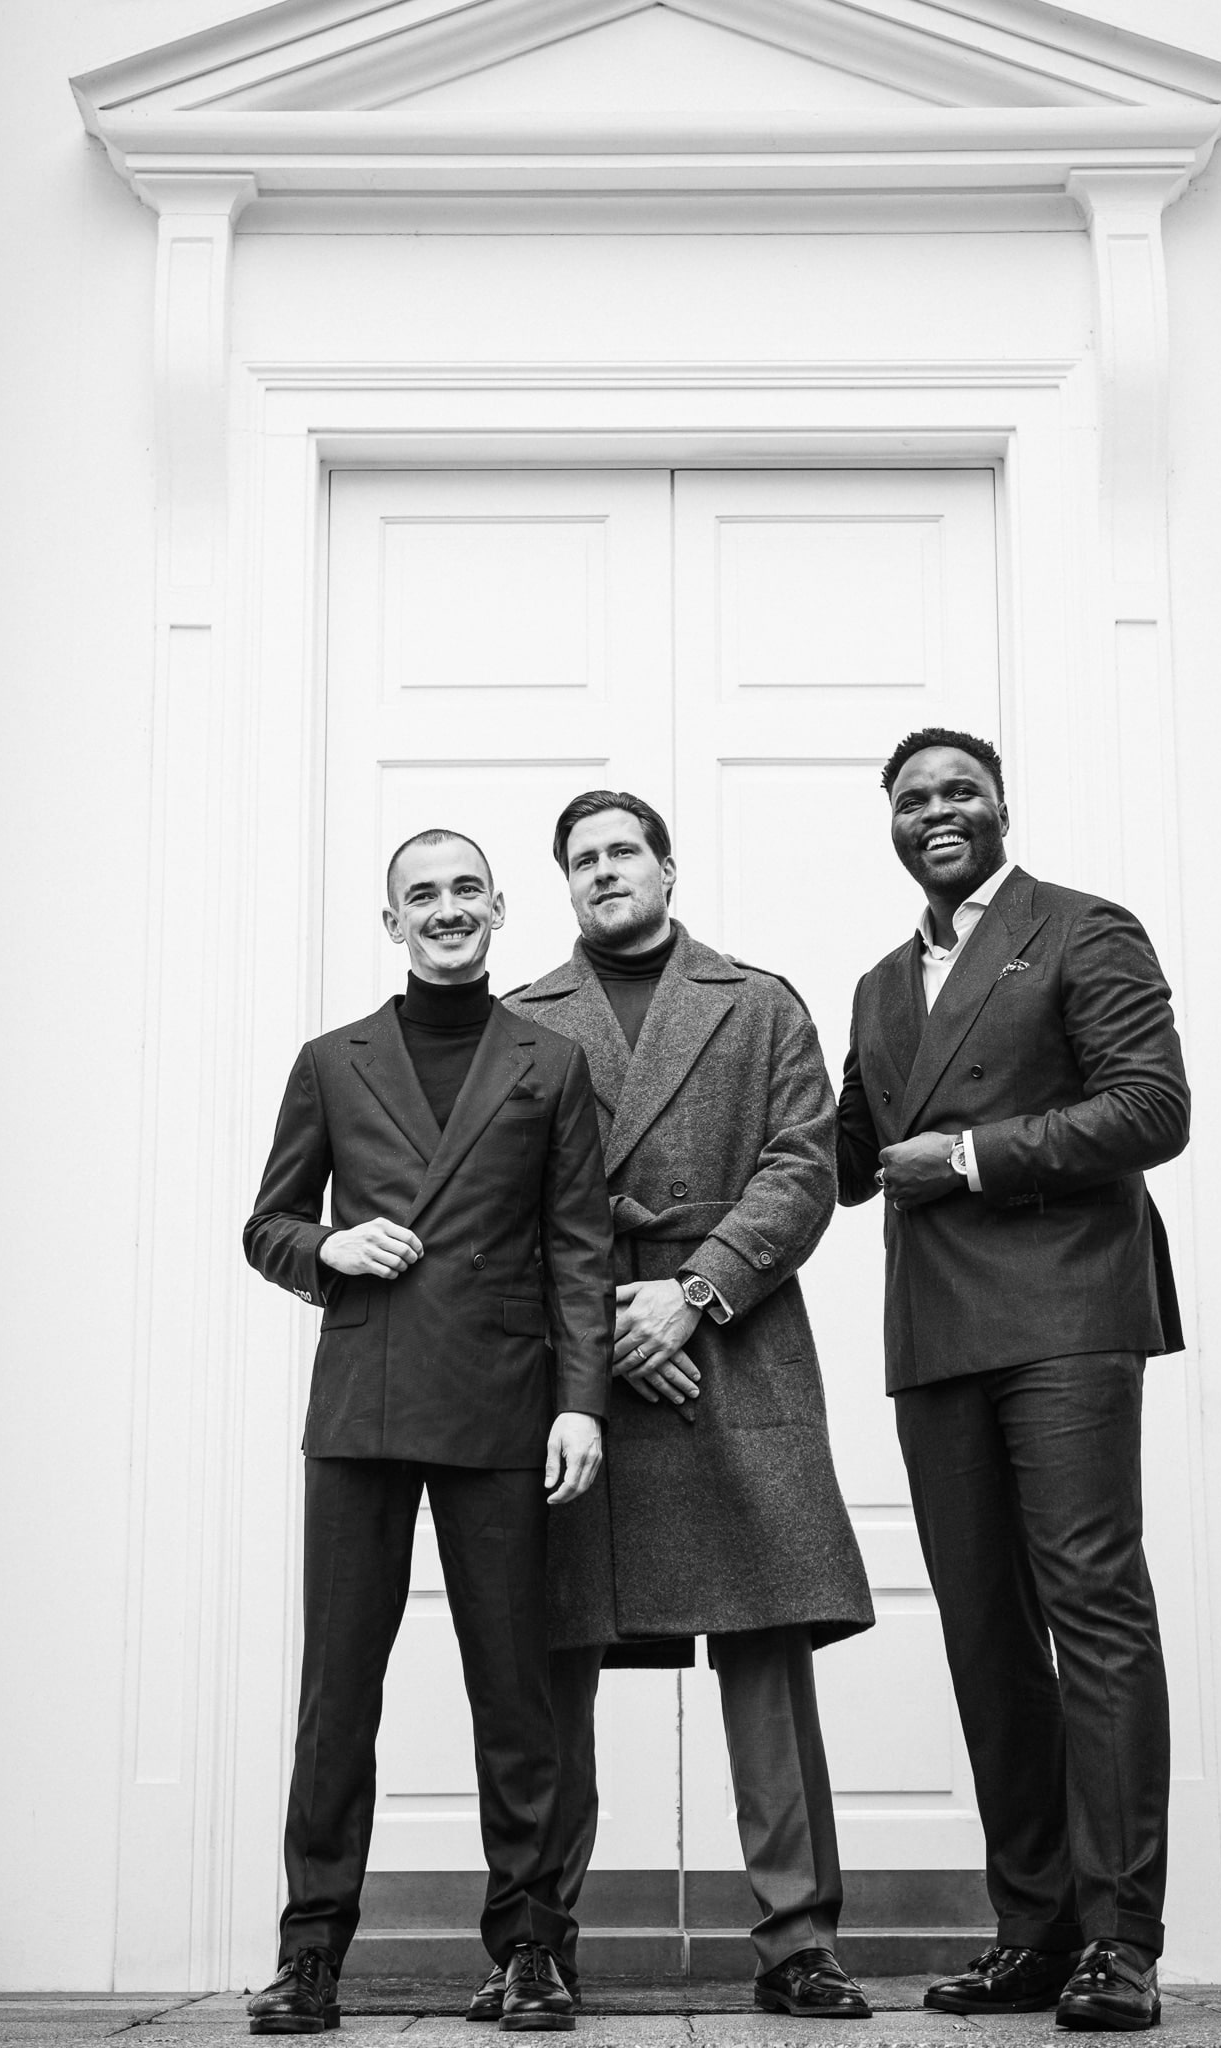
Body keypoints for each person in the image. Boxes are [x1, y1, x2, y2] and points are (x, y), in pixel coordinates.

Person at [482, 789, 876, 2023]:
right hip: (577, 1366)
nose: (604, 871)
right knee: (555, 1656)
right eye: (582, 859)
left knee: (765, 1646)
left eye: (623, 852)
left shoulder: (756, 1003)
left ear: (667, 867)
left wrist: (693, 1292)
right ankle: (536, 1938)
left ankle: (798, 1940)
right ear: (565, 884)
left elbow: (803, 1166)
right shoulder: (517, 1019)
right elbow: (496, 1199)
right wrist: (614, 1322)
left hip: (736, 1350)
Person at [836, 729, 1190, 2033]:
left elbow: (1151, 1107)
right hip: (935, 1334)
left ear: (998, 808)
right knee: (984, 1634)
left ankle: (1120, 1941)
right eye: (911, 798)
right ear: (889, 823)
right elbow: (840, 1153)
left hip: (1064, 1314)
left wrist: (969, 1156)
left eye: (958, 792)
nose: (935, 811)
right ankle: (1033, 1929)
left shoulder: (1081, 929)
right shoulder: (878, 985)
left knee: (1091, 1611)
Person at [242, 829, 613, 2036]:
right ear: (390, 920)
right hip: (362, 1402)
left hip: (503, 1402)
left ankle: (529, 1949)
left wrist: (580, 1399)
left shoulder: (550, 1062)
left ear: (497, 907)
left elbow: (579, 1246)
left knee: (514, 1688)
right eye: (421, 894)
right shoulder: (330, 1060)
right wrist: (328, 1246)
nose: (445, 907)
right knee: (337, 1690)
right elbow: (267, 1224)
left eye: (464, 888)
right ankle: (309, 1954)